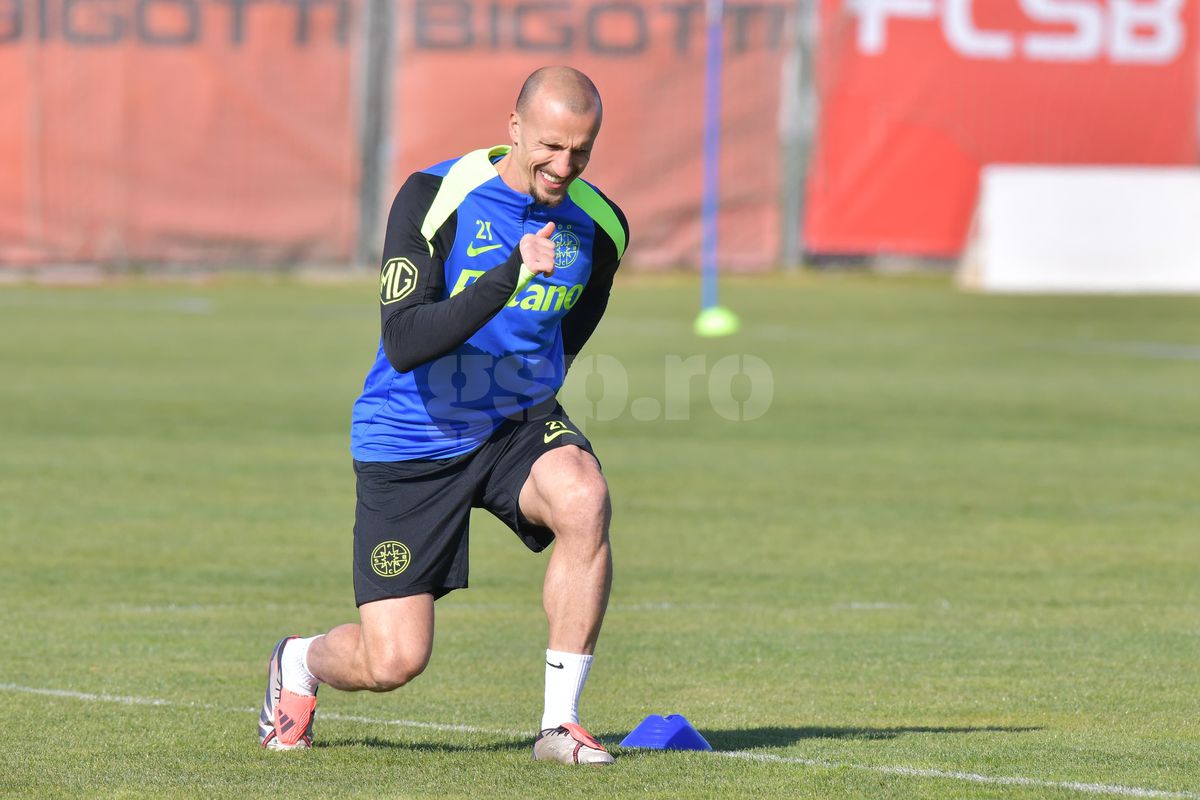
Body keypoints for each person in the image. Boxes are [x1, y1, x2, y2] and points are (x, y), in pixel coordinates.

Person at [258, 66, 628, 766]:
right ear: (514, 128)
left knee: (584, 497)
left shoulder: (602, 227)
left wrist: (529, 385)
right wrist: (508, 276)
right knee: (393, 661)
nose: (564, 165)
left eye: (581, 150)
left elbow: (574, 327)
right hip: (410, 437)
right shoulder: (436, 196)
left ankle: (559, 725)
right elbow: (404, 340)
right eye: (550, 146)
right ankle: (299, 661)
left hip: (513, 425)